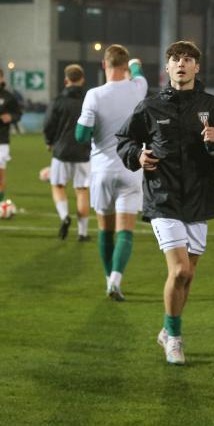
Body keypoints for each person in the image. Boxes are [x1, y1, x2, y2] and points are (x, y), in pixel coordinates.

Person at [117, 40, 214, 365]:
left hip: (200, 198)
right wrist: (136, 155)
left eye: (187, 59)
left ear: (197, 67)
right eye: (175, 59)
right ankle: (174, 336)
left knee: (188, 275)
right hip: (163, 197)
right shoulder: (150, 107)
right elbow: (124, 139)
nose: (181, 64)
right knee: (179, 268)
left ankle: (166, 329)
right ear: (168, 67)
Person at [76, 46, 147, 301]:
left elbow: (81, 136)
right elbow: (138, 71)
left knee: (105, 231)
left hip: (102, 171)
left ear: (104, 65)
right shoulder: (138, 87)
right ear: (125, 67)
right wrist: (135, 65)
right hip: (130, 170)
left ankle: (108, 280)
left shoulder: (94, 95)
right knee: (125, 231)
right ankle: (116, 279)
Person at [43, 64, 91, 241]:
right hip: (84, 151)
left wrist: (49, 141)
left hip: (61, 151)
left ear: (66, 80)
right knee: (82, 190)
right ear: (82, 80)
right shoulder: (89, 99)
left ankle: (65, 217)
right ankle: (83, 233)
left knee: (58, 186)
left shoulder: (58, 100)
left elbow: (48, 124)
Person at [0, 69, 23, 203]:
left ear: (2, 79)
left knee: (0, 174)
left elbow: (18, 114)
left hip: (1, 140)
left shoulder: (8, 97)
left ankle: (0, 203)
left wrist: (11, 117)